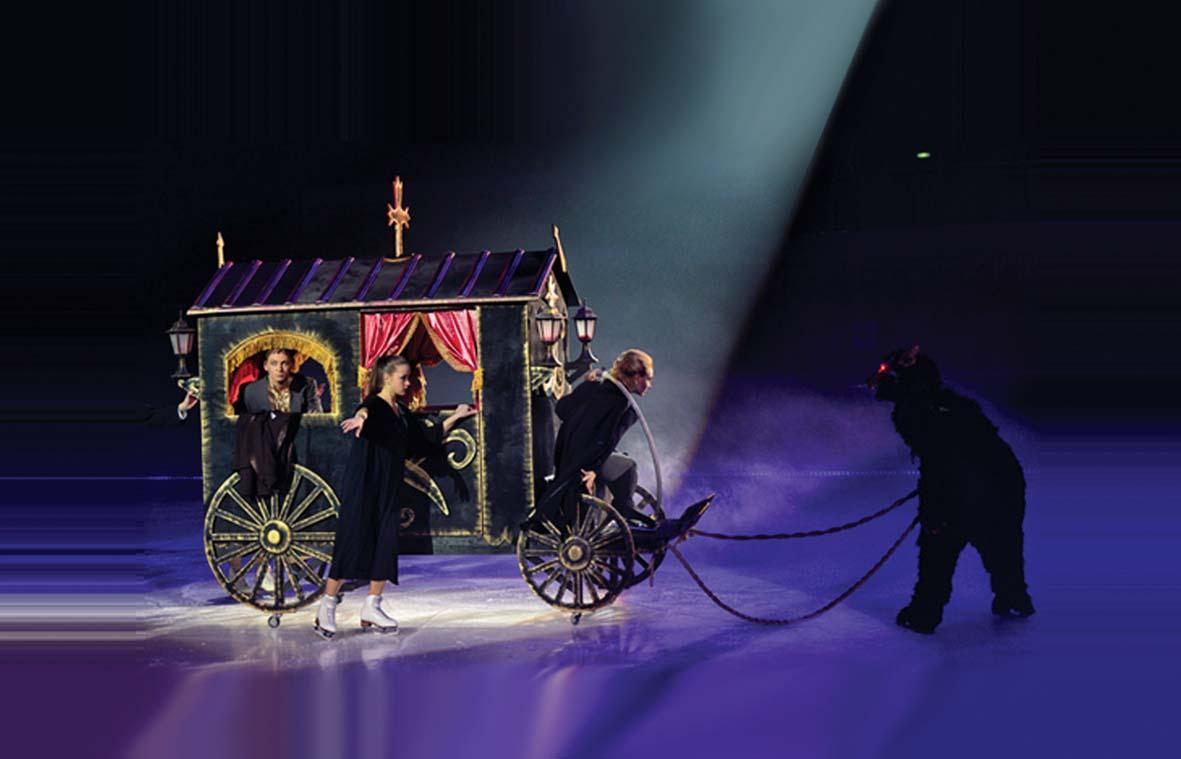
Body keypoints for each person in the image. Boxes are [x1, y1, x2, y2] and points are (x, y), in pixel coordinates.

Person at [868, 345, 1035, 634]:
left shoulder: (920, 412)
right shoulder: (952, 404)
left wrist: (933, 512)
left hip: (975, 488)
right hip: (1004, 484)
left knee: (938, 547)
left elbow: (940, 461)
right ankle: (1014, 597)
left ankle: (924, 614)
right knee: (1002, 546)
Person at [314, 354, 477, 638]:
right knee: (353, 540)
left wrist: (455, 416)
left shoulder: (401, 412)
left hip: (388, 487)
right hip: (365, 484)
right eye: (403, 377)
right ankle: (327, 606)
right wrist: (359, 419)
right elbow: (365, 412)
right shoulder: (374, 405)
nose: (408, 382)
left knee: (385, 544)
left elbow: (425, 439)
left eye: (408, 377)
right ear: (387, 378)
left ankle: (372, 605)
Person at [543, 349, 655, 525]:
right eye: (647, 379)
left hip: (566, 456)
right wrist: (594, 470)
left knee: (620, 458)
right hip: (582, 461)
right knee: (628, 466)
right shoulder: (621, 402)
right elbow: (605, 440)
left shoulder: (595, 386)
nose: (650, 385)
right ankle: (624, 509)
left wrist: (585, 386)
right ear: (635, 377)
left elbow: (562, 410)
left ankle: (623, 508)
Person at [232, 348, 322, 499]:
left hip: (298, 447)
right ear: (266, 366)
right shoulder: (250, 391)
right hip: (262, 450)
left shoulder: (307, 385)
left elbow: (317, 416)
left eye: (284, 363)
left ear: (291, 365)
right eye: (274, 363)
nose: (279, 369)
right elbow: (243, 423)